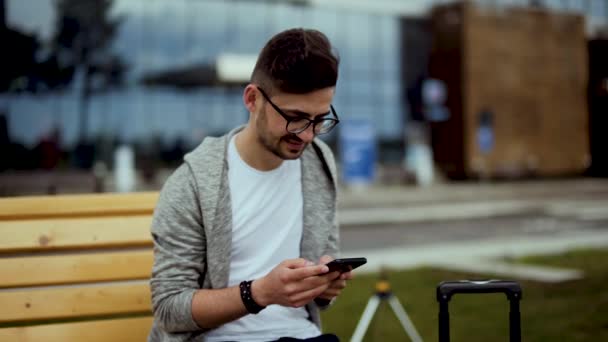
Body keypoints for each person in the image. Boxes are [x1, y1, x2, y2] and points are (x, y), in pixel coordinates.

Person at [149, 28, 351, 342]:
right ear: (252, 99)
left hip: (302, 335)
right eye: (295, 117)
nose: (308, 135)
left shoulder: (318, 163)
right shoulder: (193, 183)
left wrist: (324, 286)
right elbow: (169, 309)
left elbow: (321, 286)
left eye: (319, 119)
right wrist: (258, 293)